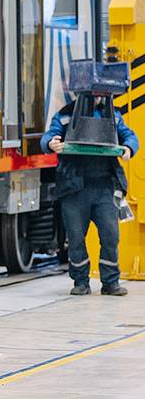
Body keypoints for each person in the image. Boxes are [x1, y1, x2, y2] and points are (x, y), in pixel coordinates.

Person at [41, 91, 138, 297]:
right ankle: (80, 281)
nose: (96, 98)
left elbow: (129, 135)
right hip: (74, 187)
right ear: (81, 93)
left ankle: (111, 282)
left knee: (111, 235)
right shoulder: (66, 115)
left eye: (100, 94)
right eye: (92, 94)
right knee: (76, 237)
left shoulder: (112, 115)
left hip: (104, 187)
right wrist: (51, 143)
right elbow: (49, 136)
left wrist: (129, 147)